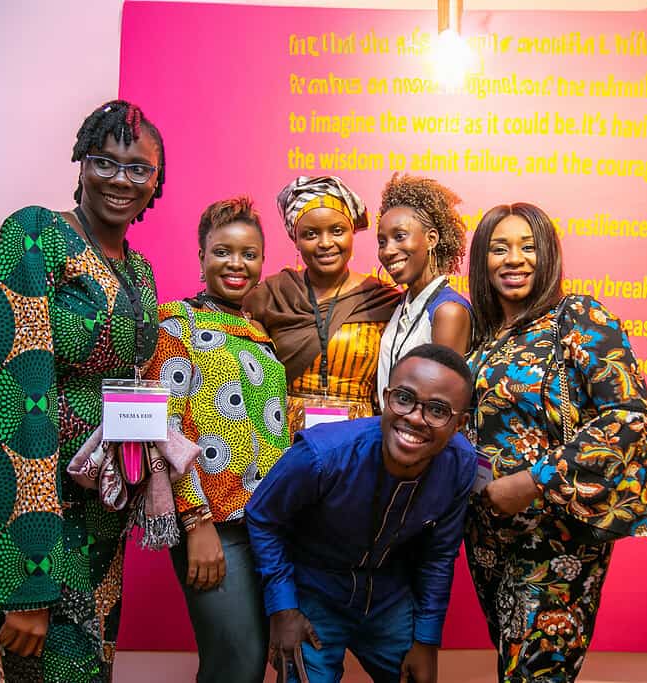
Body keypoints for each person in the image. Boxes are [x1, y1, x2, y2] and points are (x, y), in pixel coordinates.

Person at [0, 100, 166, 682]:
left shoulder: (140, 271)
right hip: (39, 517)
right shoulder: (36, 234)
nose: (120, 179)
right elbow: (10, 397)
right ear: (81, 162)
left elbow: (133, 388)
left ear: (157, 182)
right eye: (104, 161)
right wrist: (26, 581)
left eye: (138, 169)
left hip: (103, 516)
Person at [463, 203, 647, 682]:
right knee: (513, 670)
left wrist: (533, 481)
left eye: (529, 247)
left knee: (538, 675)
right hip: (489, 538)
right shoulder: (484, 336)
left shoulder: (576, 316)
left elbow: (629, 417)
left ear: (549, 255)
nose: (514, 259)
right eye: (499, 248)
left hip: (556, 536)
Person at [246, 344, 476, 683]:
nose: (414, 417)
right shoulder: (321, 455)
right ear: (385, 398)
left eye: (438, 410)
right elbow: (263, 517)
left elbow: (438, 556)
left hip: (388, 596)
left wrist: (427, 641)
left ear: (460, 423)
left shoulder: (460, 464)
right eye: (404, 399)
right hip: (316, 590)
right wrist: (282, 608)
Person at [149, 197, 290, 682]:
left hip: (266, 527)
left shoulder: (259, 333)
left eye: (249, 254)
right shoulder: (175, 325)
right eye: (222, 252)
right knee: (236, 664)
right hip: (214, 525)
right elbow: (161, 434)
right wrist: (195, 523)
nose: (237, 264)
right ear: (201, 257)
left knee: (255, 664)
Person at [244, 176, 400, 435]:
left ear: (352, 233)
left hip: (358, 440)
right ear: (295, 239)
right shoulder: (272, 295)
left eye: (337, 231)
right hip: (284, 439)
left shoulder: (381, 299)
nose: (326, 243)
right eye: (311, 234)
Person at [375, 173, 472, 408]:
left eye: (399, 236)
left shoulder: (448, 312)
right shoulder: (403, 304)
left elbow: (441, 404)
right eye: (382, 241)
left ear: (431, 239)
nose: (388, 251)